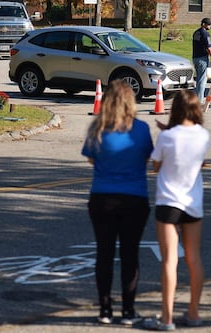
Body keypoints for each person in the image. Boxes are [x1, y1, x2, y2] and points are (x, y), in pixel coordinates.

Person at [81, 80, 153, 326]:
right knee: (130, 254)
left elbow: (91, 159)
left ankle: (105, 308)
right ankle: (129, 309)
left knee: (104, 253)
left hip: (102, 196)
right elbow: (147, 158)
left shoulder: (97, 128)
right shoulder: (141, 129)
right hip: (134, 197)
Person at [143, 90, 210, 331]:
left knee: (169, 261)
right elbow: (200, 162)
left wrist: (165, 134)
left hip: (168, 202)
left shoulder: (167, 137)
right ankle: (193, 313)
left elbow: (156, 167)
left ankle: (167, 317)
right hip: (193, 203)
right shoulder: (203, 135)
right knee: (194, 258)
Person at [192, 17, 211, 104]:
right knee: (202, 80)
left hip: (195, 58)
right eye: (209, 24)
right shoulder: (205, 34)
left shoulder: (196, 33)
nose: (210, 26)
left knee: (198, 80)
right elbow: (209, 48)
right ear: (204, 24)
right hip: (202, 59)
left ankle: (196, 99)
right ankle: (200, 100)